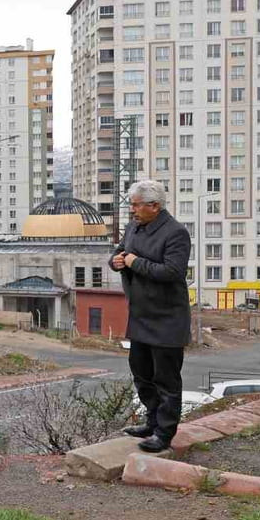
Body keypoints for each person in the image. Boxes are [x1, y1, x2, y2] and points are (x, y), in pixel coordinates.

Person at [110, 180, 192, 453]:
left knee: (166, 380)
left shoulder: (175, 233)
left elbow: (172, 272)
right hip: (141, 315)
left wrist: (134, 262)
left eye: (135, 205)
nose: (131, 210)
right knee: (141, 374)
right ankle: (152, 420)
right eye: (131, 204)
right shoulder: (134, 226)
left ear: (154, 206)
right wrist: (116, 261)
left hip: (167, 318)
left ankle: (165, 433)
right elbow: (120, 250)